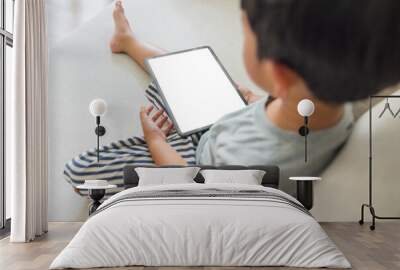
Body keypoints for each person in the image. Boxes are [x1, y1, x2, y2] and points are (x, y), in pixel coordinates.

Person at [64, 0, 400, 195]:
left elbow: (194, 181)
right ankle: (126, 41)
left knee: (82, 170)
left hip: (200, 155)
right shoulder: (342, 101)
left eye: (246, 31)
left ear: (279, 75)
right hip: (236, 119)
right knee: (192, 71)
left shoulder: (252, 160)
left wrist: (156, 142)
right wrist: (257, 100)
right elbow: (289, 108)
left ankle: (129, 46)